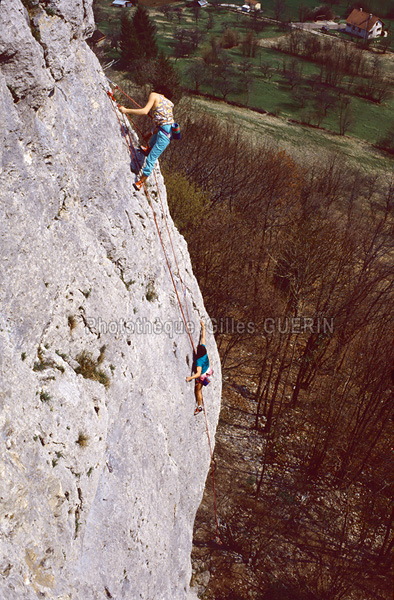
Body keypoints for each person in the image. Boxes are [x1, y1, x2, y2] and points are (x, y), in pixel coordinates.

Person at [119, 87, 174, 191]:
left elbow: (144, 111)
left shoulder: (154, 95)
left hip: (164, 132)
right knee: (152, 142)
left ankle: (141, 182)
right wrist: (149, 134)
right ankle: (148, 149)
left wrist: (126, 110)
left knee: (151, 159)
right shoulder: (169, 103)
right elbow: (164, 122)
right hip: (166, 131)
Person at [186, 320, 213, 416]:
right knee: (200, 387)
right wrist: (203, 327)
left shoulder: (199, 361)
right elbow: (203, 337)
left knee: (198, 390)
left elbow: (198, 373)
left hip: (202, 374)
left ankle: (199, 406)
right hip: (208, 370)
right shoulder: (204, 350)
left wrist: (190, 378)